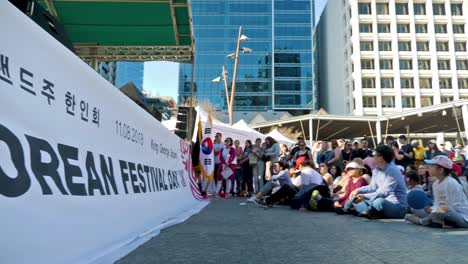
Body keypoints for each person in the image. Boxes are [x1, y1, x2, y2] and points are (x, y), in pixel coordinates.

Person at [405, 155, 468, 228]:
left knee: (444, 210)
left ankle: (421, 221)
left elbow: (451, 206)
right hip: (441, 214)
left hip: (461, 217)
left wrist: (435, 210)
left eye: (432, 166)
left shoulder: (451, 183)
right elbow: (437, 203)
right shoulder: (435, 184)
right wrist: (431, 209)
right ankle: (440, 222)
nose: (428, 168)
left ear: (441, 170)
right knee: (416, 209)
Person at [349, 145, 408, 219]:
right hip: (379, 200)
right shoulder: (377, 169)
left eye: (374, 155)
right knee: (355, 199)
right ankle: (368, 212)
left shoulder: (393, 170)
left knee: (378, 201)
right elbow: (372, 187)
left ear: (381, 158)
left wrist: (365, 196)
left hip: (397, 206)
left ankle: (367, 211)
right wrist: (358, 190)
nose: (373, 157)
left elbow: (384, 192)